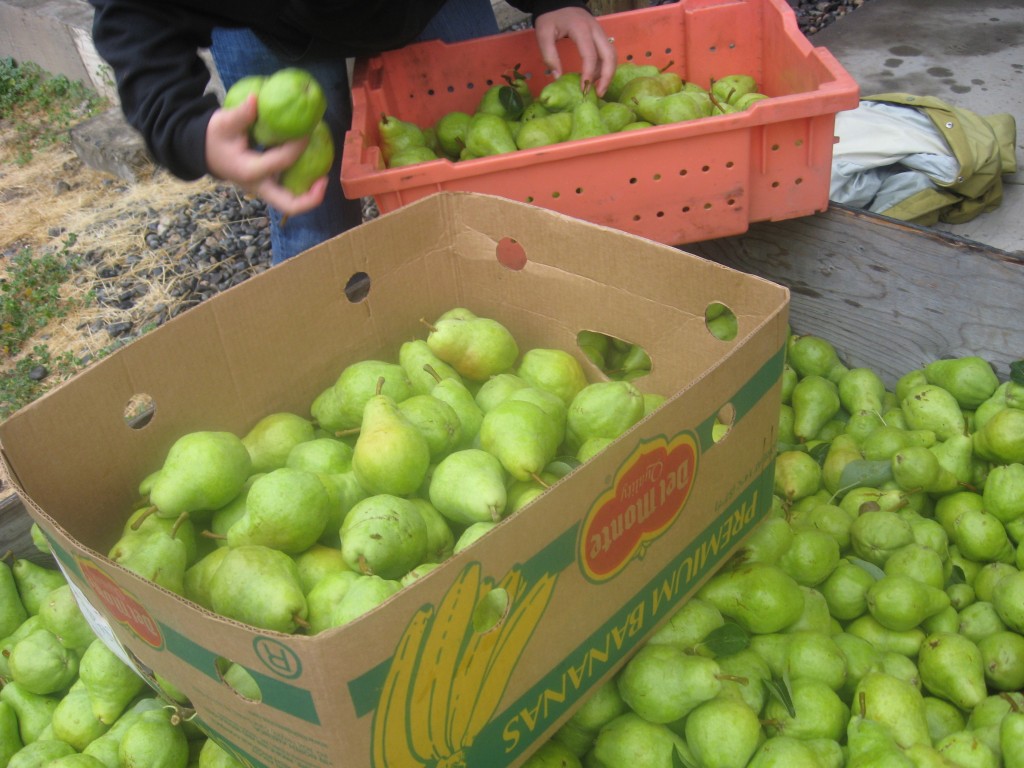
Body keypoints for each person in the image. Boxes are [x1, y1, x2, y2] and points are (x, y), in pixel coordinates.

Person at [87, 0, 618, 264]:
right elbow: (132, 9)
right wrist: (180, 123)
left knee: (486, 194)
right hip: (268, 20)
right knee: (313, 225)